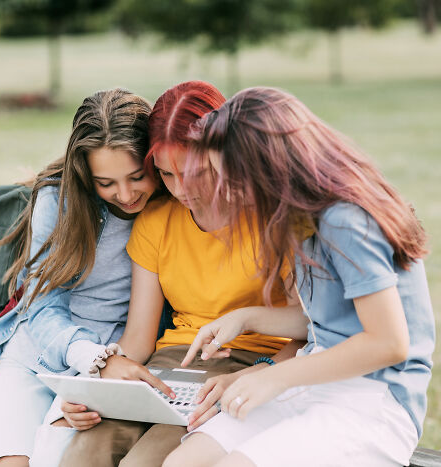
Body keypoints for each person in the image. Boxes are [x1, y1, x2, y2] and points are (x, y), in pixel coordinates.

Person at [165, 87, 436, 467]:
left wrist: (275, 377)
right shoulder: (293, 214)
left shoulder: (347, 219)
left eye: (235, 181)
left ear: (272, 167)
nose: (230, 194)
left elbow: (388, 343)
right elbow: (329, 320)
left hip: (375, 400)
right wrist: (245, 317)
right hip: (313, 383)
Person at [57, 81, 302, 467]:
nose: (182, 189)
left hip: (247, 367)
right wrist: (96, 387)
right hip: (169, 368)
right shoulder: (157, 220)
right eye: (166, 174)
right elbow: (138, 339)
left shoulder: (274, 218)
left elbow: (311, 329)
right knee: (80, 455)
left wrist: (261, 374)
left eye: (195, 172)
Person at [0, 88, 161, 467]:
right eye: (105, 182)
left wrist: (96, 375)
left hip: (117, 351)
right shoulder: (58, 200)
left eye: (136, 176)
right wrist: (93, 361)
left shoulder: (168, 206)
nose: (125, 195)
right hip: (39, 349)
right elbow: (42, 306)